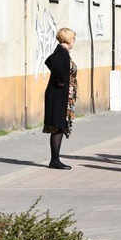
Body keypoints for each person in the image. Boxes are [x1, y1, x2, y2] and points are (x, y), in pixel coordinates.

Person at [44, 27, 77, 170]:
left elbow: (48, 61)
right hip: (59, 96)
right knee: (58, 126)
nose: (74, 41)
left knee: (59, 126)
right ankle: (54, 160)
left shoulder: (60, 52)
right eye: (74, 39)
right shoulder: (62, 53)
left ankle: (55, 159)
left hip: (60, 95)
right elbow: (56, 65)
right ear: (69, 39)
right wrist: (61, 80)